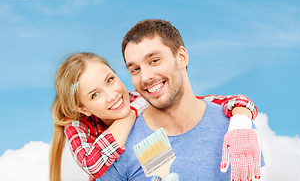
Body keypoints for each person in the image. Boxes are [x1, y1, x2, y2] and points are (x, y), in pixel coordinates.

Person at [49, 50, 259, 181]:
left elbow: (207, 102)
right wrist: (129, 115)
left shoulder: (139, 98)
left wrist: (241, 119)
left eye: (110, 80)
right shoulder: (77, 126)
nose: (112, 95)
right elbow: (92, 163)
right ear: (83, 109)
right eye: (95, 95)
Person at [97, 19, 262, 181]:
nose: (145, 77)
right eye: (135, 69)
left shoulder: (236, 129)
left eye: (154, 61)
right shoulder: (121, 147)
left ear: (181, 57)